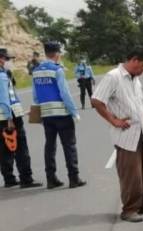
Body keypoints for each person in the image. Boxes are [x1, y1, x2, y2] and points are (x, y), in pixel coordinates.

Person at [91, 46, 143, 223]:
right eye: (142, 65)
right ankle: (129, 209)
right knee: (131, 175)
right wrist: (113, 120)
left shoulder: (134, 79)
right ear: (134, 60)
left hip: (142, 132)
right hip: (126, 135)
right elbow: (97, 100)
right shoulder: (114, 77)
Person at [32, 41, 86, 189]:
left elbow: (35, 96)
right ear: (57, 54)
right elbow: (65, 94)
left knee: (50, 146)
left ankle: (51, 178)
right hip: (62, 114)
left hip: (46, 115)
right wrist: (74, 112)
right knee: (69, 145)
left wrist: (40, 111)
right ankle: (74, 178)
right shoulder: (57, 70)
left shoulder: (36, 70)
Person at [0, 48, 42, 188]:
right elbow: (5, 99)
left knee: (5, 148)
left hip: (5, 116)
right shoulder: (1, 75)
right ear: (1, 59)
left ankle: (9, 179)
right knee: (21, 148)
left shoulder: (5, 73)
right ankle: (26, 178)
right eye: (7, 59)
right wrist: (9, 118)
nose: (9, 62)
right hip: (9, 116)